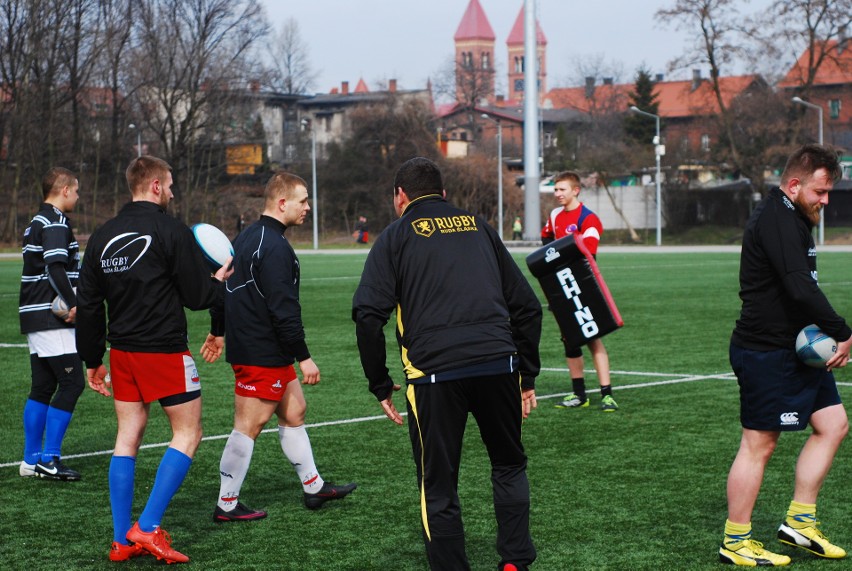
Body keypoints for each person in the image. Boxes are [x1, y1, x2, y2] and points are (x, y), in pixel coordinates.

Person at [353, 157, 542, 571]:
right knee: (509, 465)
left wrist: (380, 383)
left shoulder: (395, 235)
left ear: (400, 197)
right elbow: (527, 307)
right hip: (499, 365)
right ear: (442, 193)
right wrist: (527, 374)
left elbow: (368, 315)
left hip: (434, 375)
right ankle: (515, 562)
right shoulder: (480, 227)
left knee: (438, 485)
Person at [76, 155, 231, 564]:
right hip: (162, 351)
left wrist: (92, 359)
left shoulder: (101, 235)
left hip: (122, 353)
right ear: (157, 186)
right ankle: (145, 528)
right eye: (172, 184)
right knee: (189, 434)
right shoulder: (170, 230)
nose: (174, 192)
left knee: (127, 437)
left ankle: (120, 541)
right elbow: (198, 297)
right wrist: (217, 281)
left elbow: (89, 305)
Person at [720, 144, 850, 566]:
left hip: (798, 350)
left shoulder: (793, 214)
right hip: (766, 351)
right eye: (820, 192)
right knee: (759, 444)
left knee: (833, 424)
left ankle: (799, 523)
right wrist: (842, 333)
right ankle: (735, 540)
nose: (825, 201)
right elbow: (799, 287)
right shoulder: (777, 217)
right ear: (794, 185)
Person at [203, 171, 356, 523]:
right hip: (262, 352)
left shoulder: (246, 237)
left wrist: (218, 330)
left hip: (261, 348)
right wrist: (304, 357)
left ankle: (313, 487)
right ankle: (226, 505)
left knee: (294, 411)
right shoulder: (273, 247)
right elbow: (283, 309)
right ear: (282, 202)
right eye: (303, 200)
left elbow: (223, 288)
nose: (308, 207)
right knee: (248, 425)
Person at [18, 167, 84, 481]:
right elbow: (55, 267)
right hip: (50, 316)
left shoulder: (35, 222)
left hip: (34, 314)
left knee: (43, 386)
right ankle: (49, 458)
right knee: (73, 383)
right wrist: (73, 303)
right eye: (77, 190)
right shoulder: (56, 222)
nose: (79, 196)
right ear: (65, 189)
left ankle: (32, 460)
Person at [541, 171, 618, 412]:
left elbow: (589, 252)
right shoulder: (554, 215)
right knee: (569, 340)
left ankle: (606, 394)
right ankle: (579, 394)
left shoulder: (589, 218)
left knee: (592, 337)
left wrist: (560, 255)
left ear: (576, 190)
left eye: (562, 189)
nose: (557, 194)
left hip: (582, 285)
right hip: (560, 284)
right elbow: (546, 241)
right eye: (555, 190)